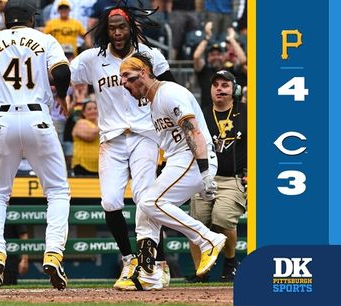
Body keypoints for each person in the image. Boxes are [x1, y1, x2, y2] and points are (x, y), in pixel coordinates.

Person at [0, 0, 71, 290]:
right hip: (39, 118)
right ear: (31, 19)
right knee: (58, 191)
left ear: (7, 19)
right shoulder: (45, 39)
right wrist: (60, 95)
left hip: (3, 119)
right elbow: (61, 72)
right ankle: (53, 252)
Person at [70, 3, 175, 289]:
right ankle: (130, 260)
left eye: (122, 27)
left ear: (132, 28)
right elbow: (61, 75)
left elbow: (170, 90)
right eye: (112, 27)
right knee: (111, 201)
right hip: (111, 138)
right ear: (105, 29)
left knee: (145, 199)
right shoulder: (92, 58)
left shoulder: (149, 55)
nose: (117, 32)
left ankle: (158, 263)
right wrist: (61, 95)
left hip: (144, 134)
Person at [116, 52, 227, 290]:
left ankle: (208, 239)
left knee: (151, 202)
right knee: (145, 208)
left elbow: (193, 131)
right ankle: (149, 274)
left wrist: (205, 172)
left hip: (193, 156)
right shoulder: (153, 101)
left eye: (127, 76)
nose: (123, 83)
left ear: (144, 73)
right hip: (178, 158)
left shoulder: (169, 93)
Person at [189, 70, 246, 282]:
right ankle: (200, 272)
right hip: (204, 178)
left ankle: (230, 262)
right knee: (196, 223)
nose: (219, 89)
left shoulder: (247, 112)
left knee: (221, 218)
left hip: (232, 178)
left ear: (235, 90)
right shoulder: (201, 115)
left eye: (225, 85)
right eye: (216, 85)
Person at [193, 23, 246, 110]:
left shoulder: (231, 70)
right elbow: (196, 57)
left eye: (219, 54)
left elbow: (243, 60)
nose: (216, 57)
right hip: (208, 116)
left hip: (231, 116)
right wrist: (207, 38)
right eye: (212, 55)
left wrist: (232, 39)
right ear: (208, 57)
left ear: (225, 56)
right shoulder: (204, 70)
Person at [71, 100, 99, 176]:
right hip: (82, 167)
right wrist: (104, 124)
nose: (93, 111)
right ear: (84, 113)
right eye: (89, 109)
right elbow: (90, 136)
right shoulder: (81, 123)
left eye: (95, 108)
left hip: (99, 167)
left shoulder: (100, 124)